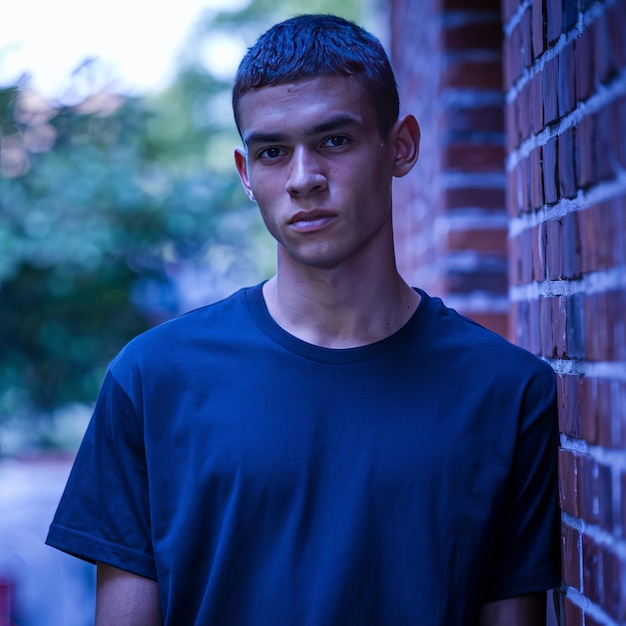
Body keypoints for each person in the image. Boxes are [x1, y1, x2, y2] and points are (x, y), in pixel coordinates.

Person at [46, 14, 561, 625]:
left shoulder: (507, 391)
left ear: (400, 146)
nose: (303, 179)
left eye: (334, 141)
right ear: (245, 173)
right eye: (272, 152)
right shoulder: (153, 378)